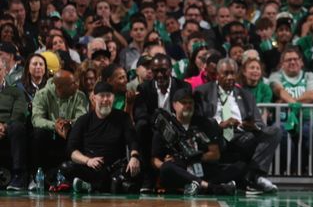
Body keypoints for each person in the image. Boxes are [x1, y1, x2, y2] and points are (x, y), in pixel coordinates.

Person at [195, 57, 280, 194]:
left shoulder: (246, 95)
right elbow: (199, 120)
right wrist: (220, 125)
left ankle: (255, 176)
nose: (230, 77)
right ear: (217, 74)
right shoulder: (203, 92)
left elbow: (259, 123)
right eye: (226, 73)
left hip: (241, 135)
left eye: (232, 73)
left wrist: (253, 127)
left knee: (273, 131)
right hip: (216, 136)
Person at [151, 88, 242, 196]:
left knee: (240, 167)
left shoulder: (205, 123)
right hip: (180, 171)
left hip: (201, 167)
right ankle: (211, 187)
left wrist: (194, 157)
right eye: (184, 102)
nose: (188, 105)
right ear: (174, 105)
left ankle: (196, 187)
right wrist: (173, 163)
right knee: (167, 168)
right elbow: (154, 160)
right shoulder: (165, 127)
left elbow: (215, 154)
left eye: (190, 103)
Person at [60, 82, 140, 193]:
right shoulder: (83, 120)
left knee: (125, 178)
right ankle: (93, 186)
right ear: (94, 98)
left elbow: (133, 140)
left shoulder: (123, 118)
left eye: (109, 96)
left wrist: (134, 157)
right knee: (66, 167)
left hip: (114, 168)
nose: (106, 99)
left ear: (113, 98)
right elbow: (71, 150)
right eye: (102, 96)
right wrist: (88, 161)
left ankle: (90, 187)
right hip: (90, 167)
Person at [132, 53, 191, 193]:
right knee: (141, 126)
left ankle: (181, 178)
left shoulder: (184, 87)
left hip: (177, 130)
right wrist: (160, 123)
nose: (159, 74)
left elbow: (188, 112)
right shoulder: (144, 88)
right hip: (154, 130)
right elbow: (140, 114)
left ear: (170, 70)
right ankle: (148, 177)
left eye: (163, 70)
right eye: (155, 70)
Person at [31, 67, 89, 178]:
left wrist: (69, 123)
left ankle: (75, 174)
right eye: (72, 84)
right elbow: (36, 119)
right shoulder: (42, 94)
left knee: (80, 131)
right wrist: (54, 125)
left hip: (71, 132)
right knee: (38, 133)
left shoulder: (80, 95)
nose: (76, 85)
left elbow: (82, 118)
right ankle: (37, 175)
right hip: (49, 134)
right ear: (60, 88)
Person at [0, 58, 32, 190]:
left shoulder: (16, 92)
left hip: (9, 129)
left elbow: (19, 113)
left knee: (18, 126)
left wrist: (4, 126)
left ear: (5, 71)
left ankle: (19, 174)